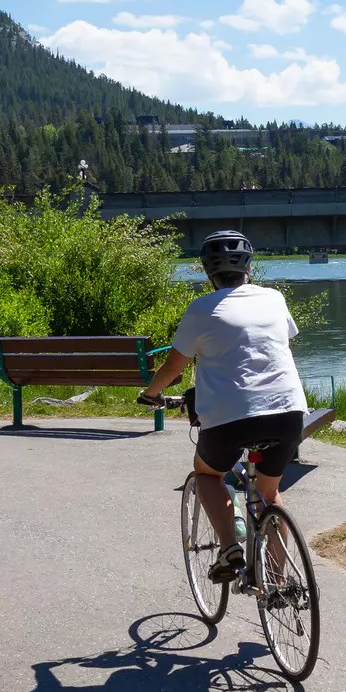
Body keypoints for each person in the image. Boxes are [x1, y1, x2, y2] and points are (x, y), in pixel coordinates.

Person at [139, 230, 308, 583]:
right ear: (250, 267)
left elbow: (173, 368)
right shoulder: (275, 298)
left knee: (207, 474)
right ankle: (279, 583)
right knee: (269, 494)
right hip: (288, 412)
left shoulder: (201, 308)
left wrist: (150, 394)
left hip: (230, 419)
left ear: (206, 271)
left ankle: (230, 548)